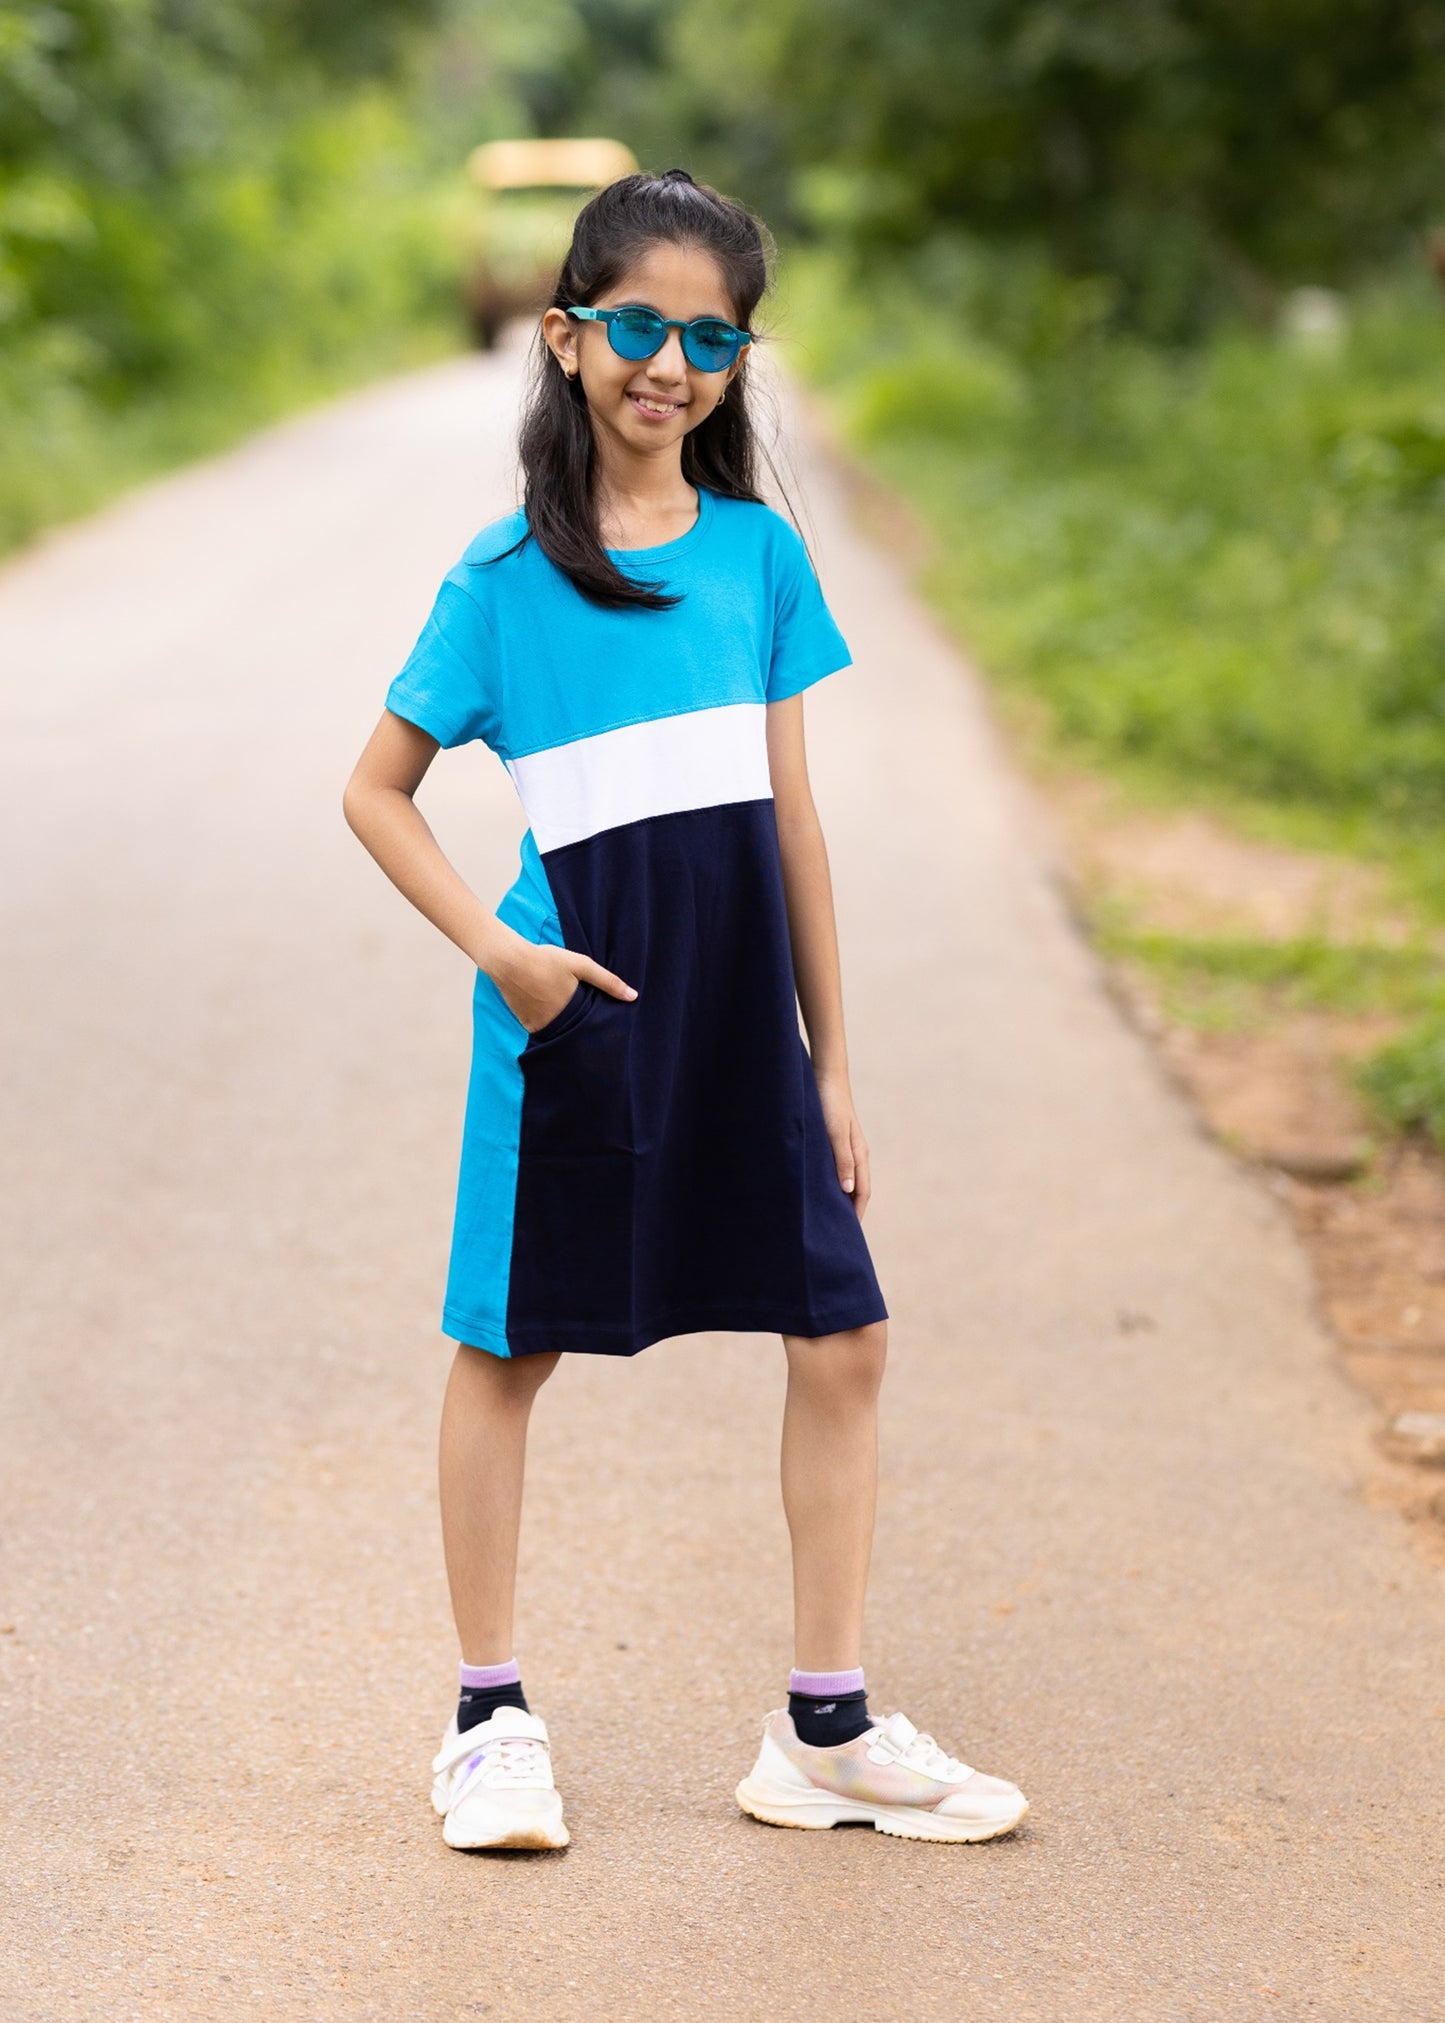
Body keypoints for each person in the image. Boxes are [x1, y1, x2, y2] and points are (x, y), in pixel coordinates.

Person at [342, 167, 1029, 1851]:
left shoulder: (759, 557)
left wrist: (836, 1060)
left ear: (735, 359)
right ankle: (488, 1718)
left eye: (710, 335)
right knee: (511, 1347)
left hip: (740, 1019)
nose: (673, 361)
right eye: (640, 325)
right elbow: (374, 793)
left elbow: (794, 818)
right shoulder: (501, 581)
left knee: (844, 1334)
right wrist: (500, 961)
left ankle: (824, 1730)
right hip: (578, 1006)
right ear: (568, 339)